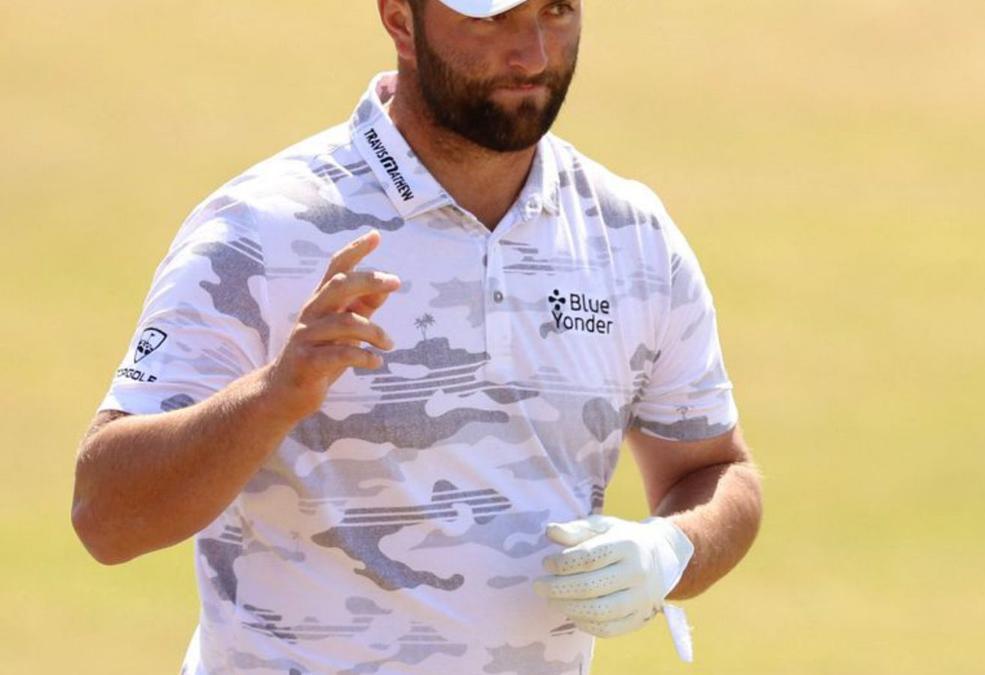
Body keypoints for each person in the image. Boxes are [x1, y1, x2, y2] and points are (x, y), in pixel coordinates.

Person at [70, 0, 763, 672]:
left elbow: (715, 467)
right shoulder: (262, 228)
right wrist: (272, 397)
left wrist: (672, 549)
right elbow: (105, 513)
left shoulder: (631, 238)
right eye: (489, 17)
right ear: (400, 18)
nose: (533, 53)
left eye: (556, 9)